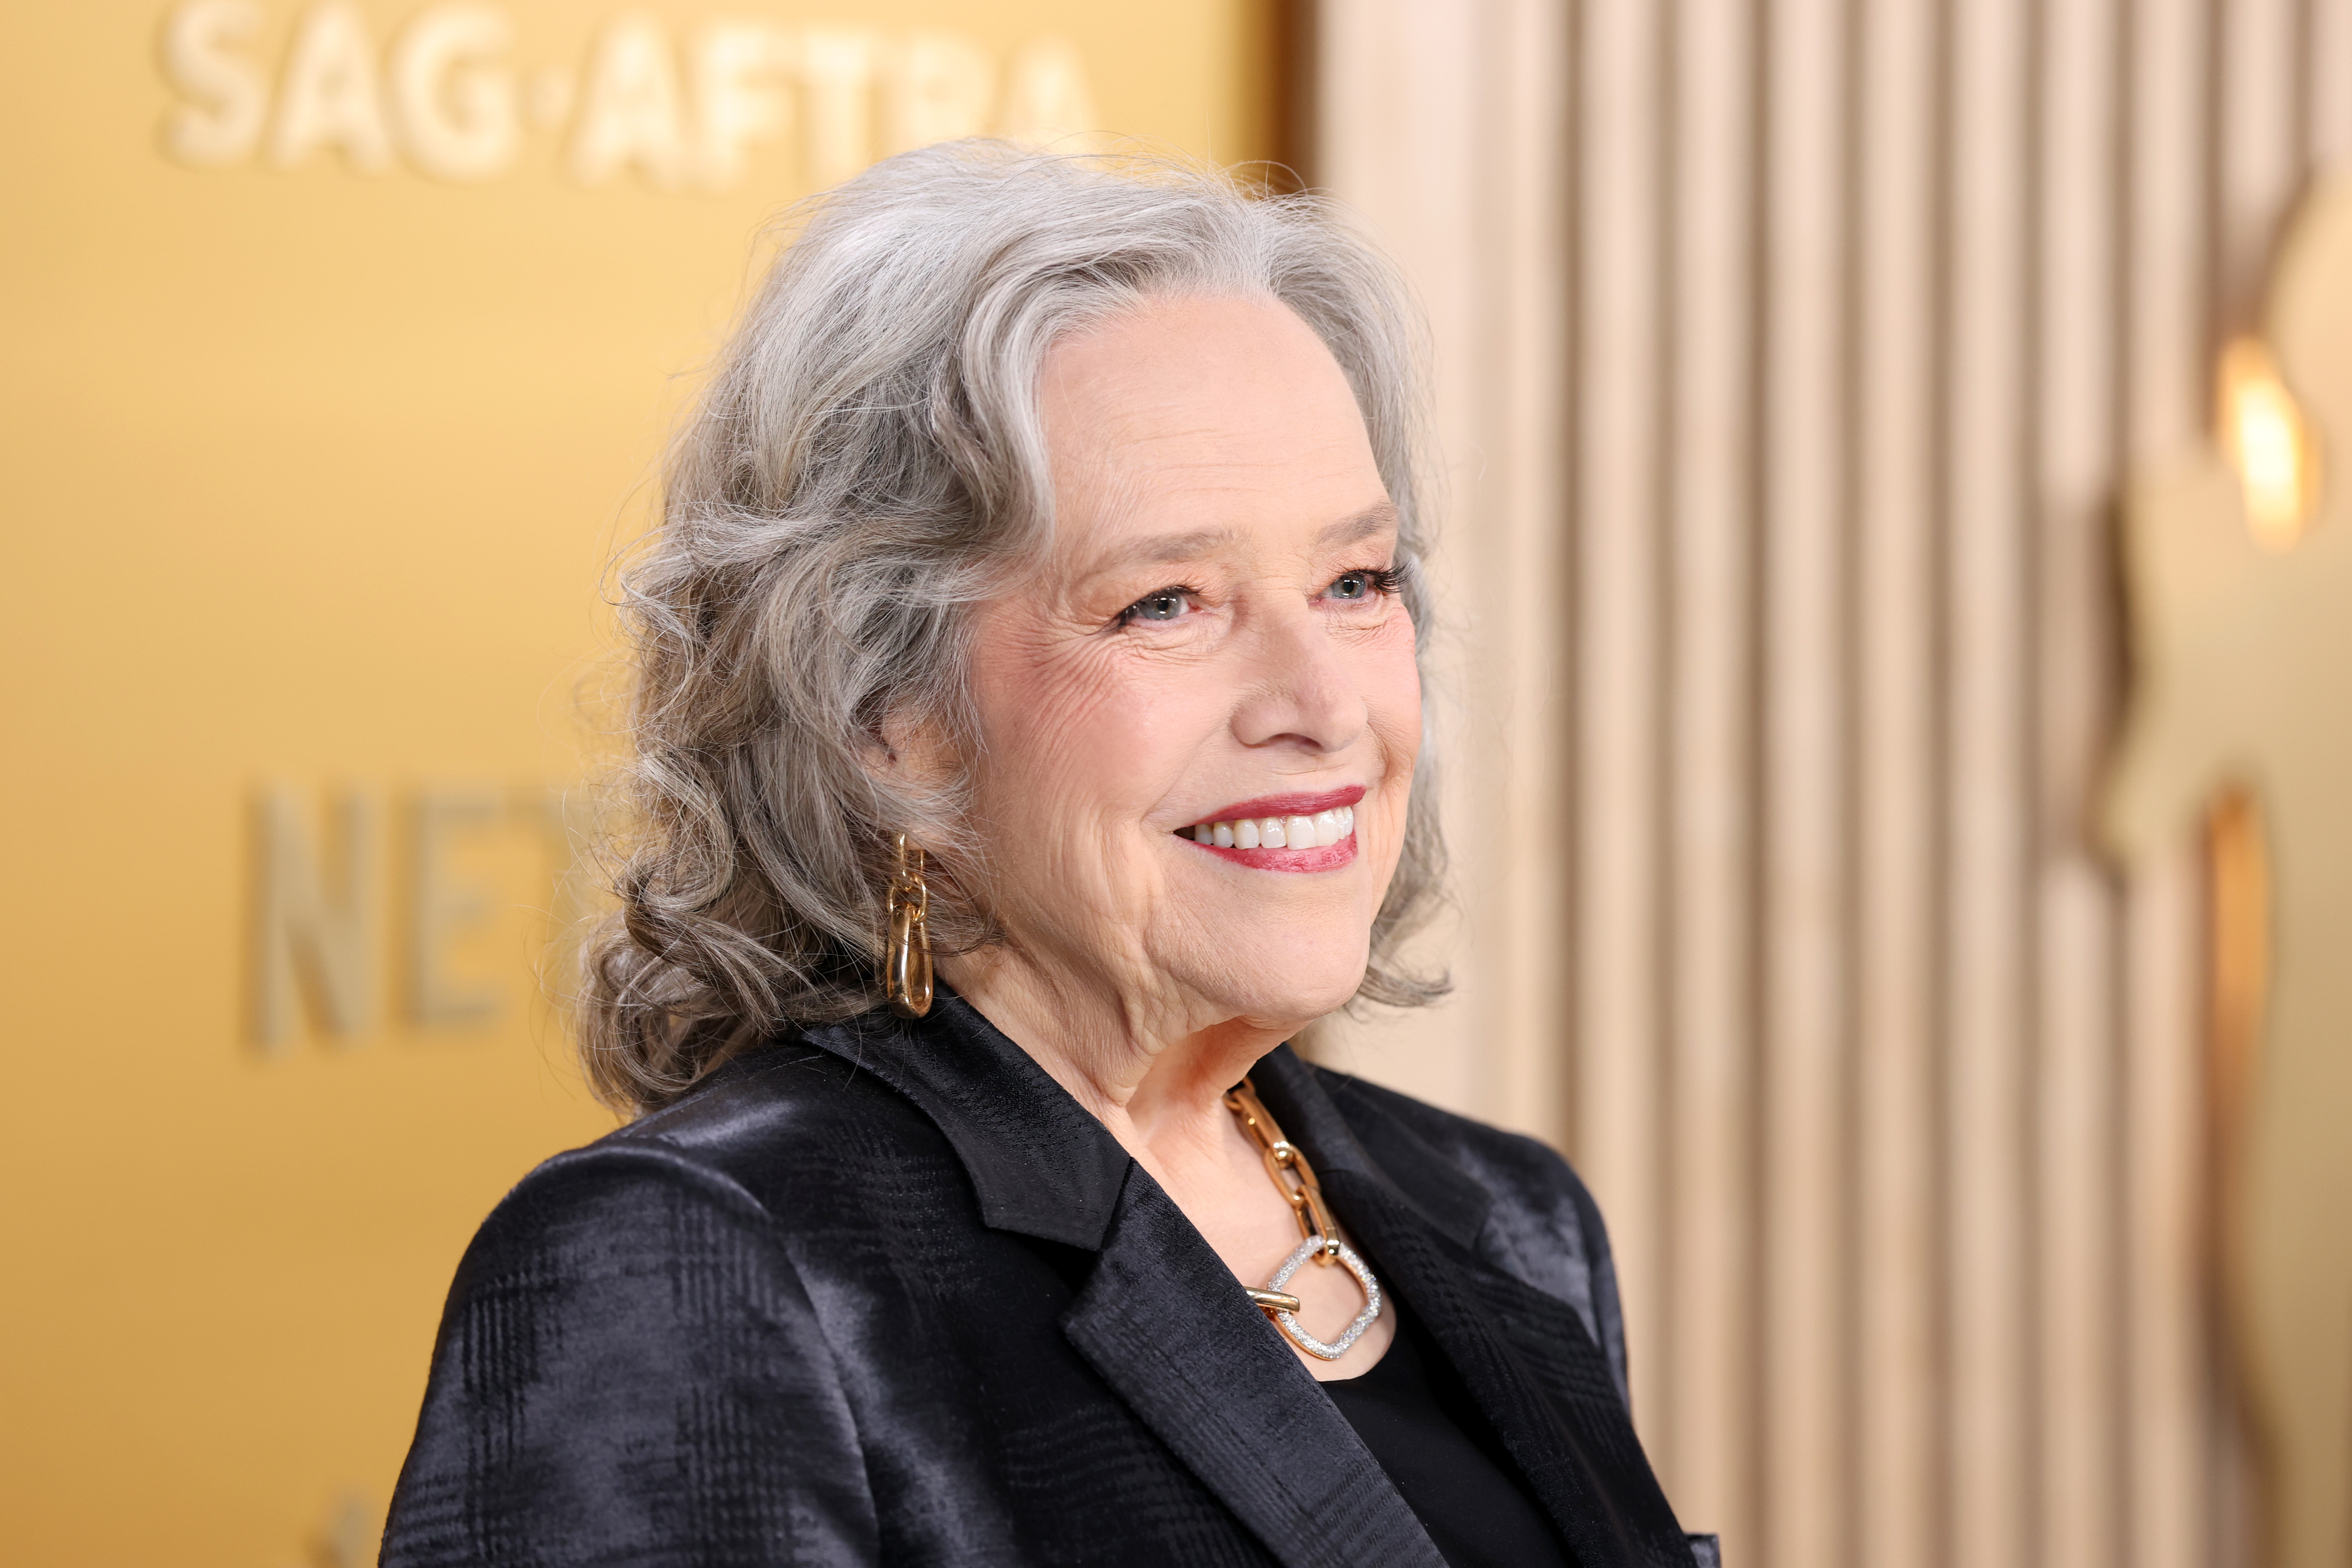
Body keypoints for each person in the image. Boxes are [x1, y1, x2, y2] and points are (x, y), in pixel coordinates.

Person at [382, 143, 1713, 1568]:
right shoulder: (700, 1264)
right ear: (886, 713)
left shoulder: (1508, 1223)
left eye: (1355, 582)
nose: (1325, 707)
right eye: (1166, 604)